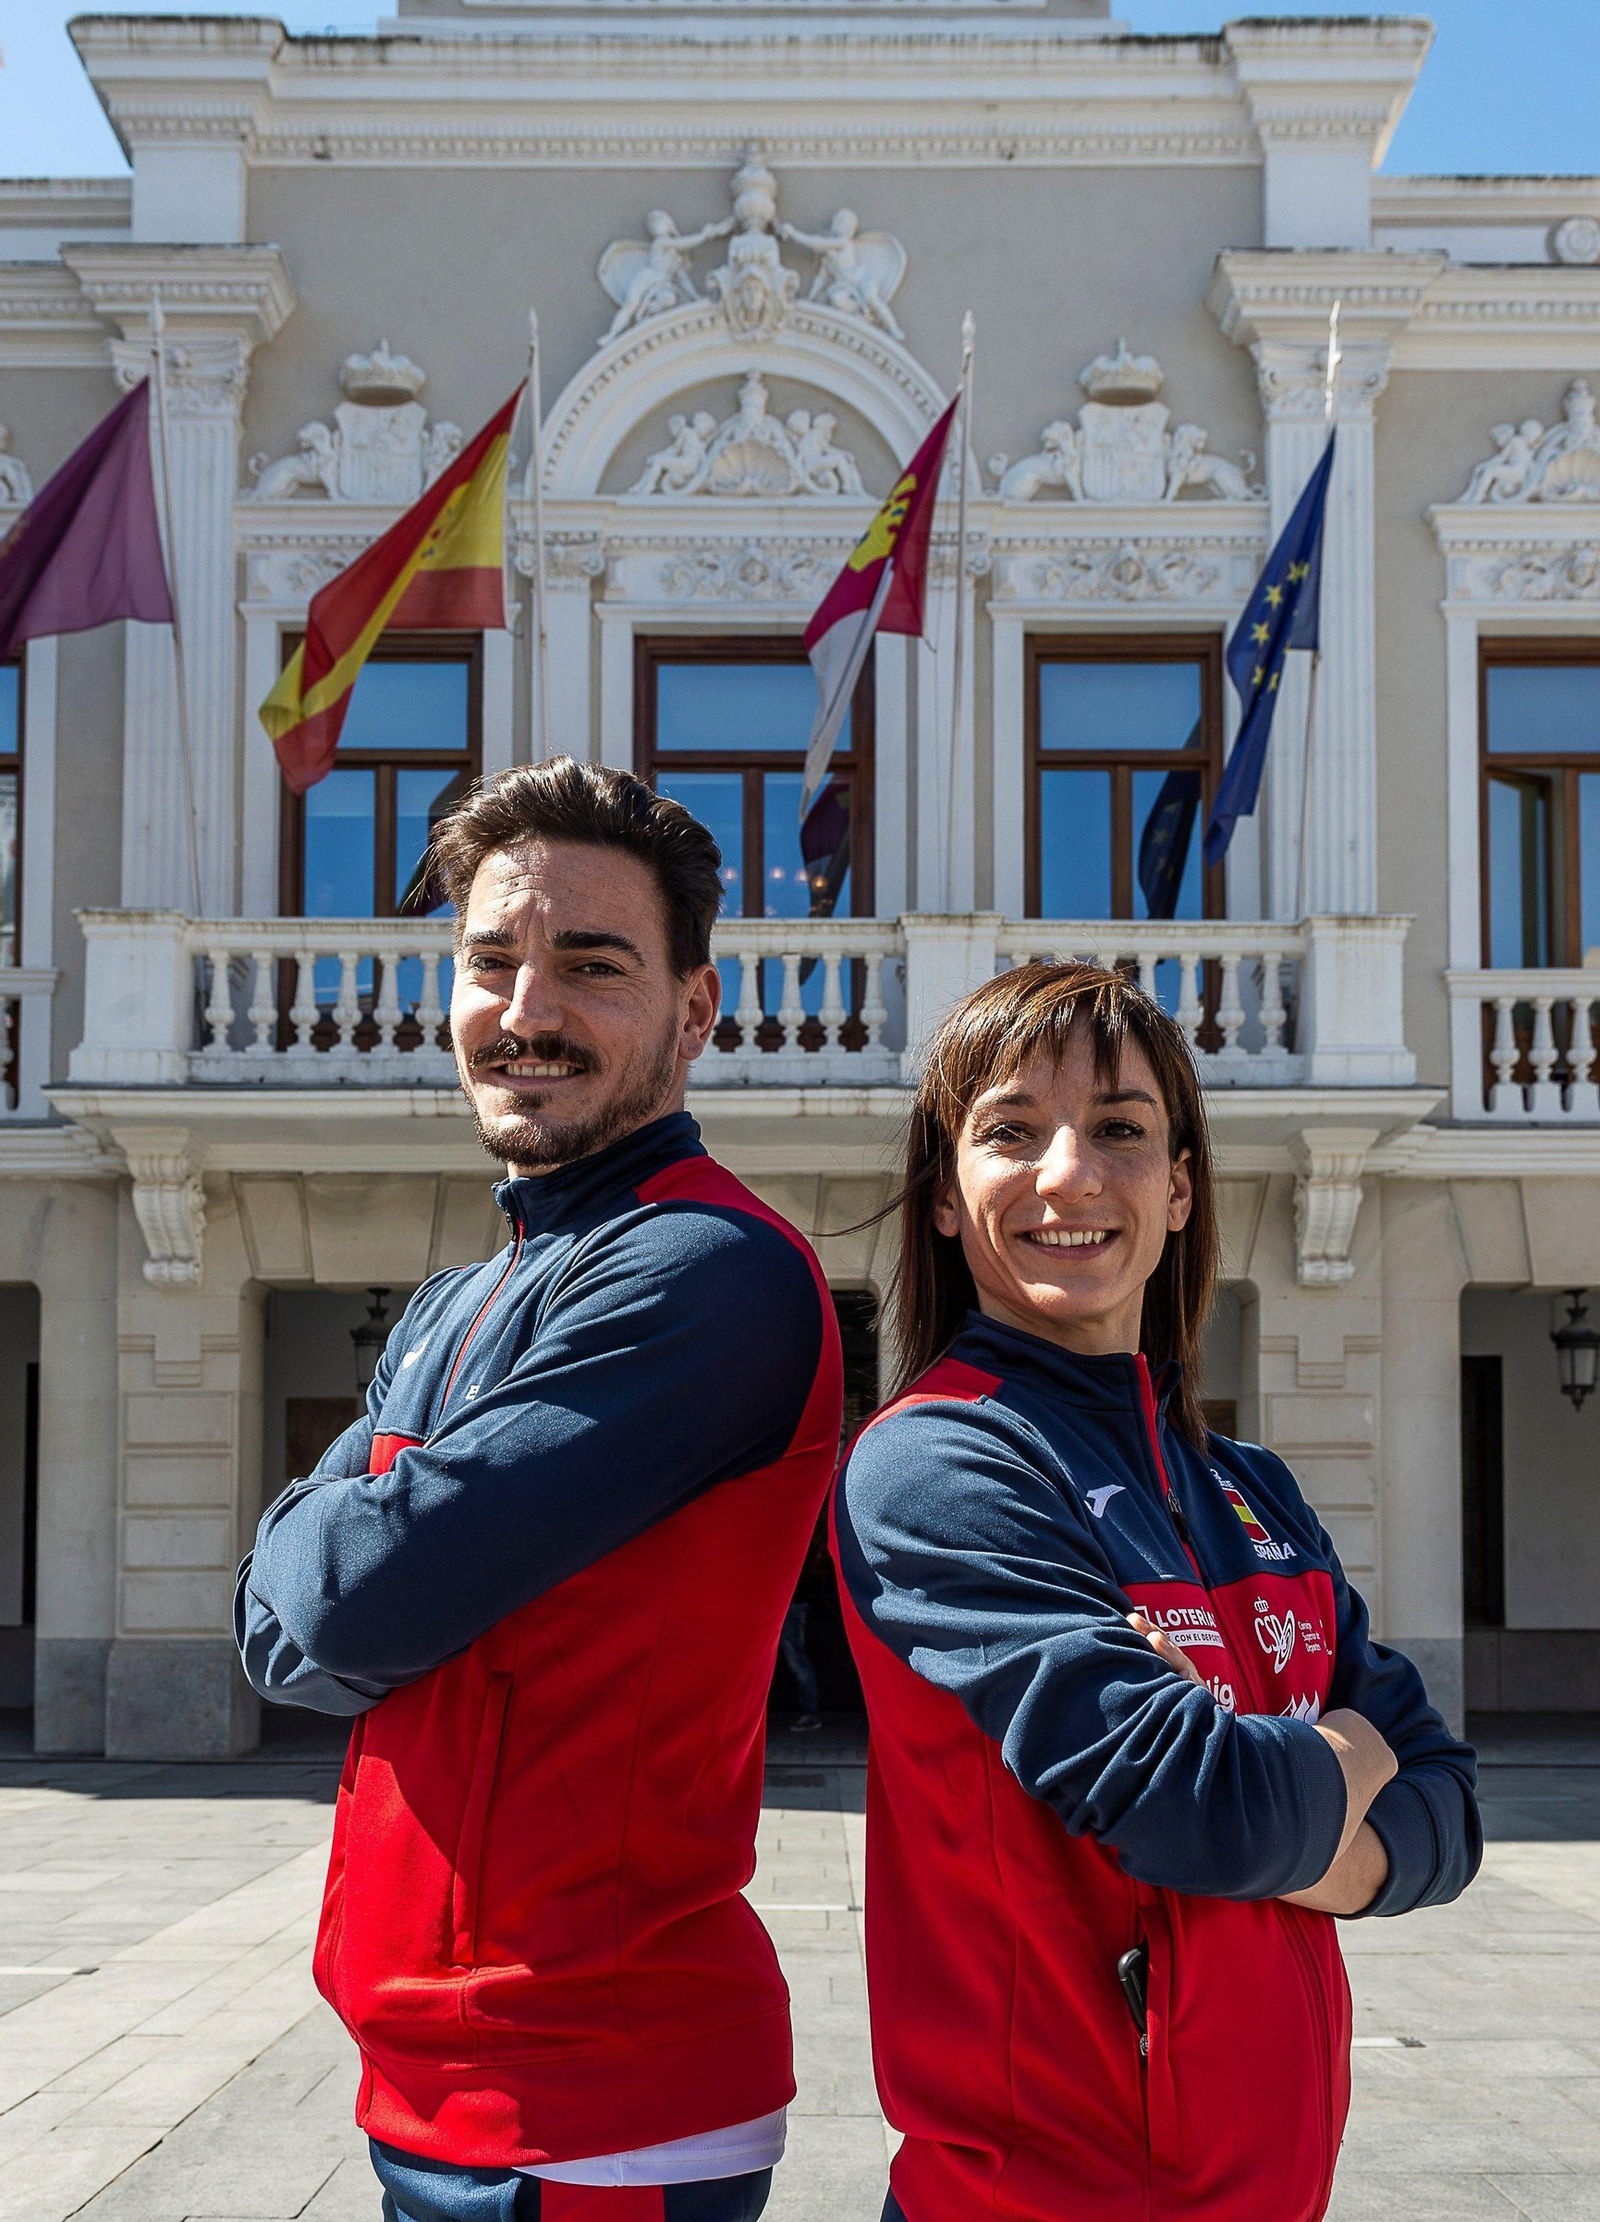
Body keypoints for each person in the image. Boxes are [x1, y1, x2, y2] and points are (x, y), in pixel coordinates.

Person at [236, 759, 842, 2222]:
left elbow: (348, 1598)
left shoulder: (710, 1271)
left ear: (695, 1010)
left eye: (592, 964)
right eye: (492, 960)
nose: (526, 1009)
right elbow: (273, 1640)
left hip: (596, 2101)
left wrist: (341, 1525)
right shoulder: (459, 1296)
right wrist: (346, 1553)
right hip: (437, 2070)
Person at [832, 961, 1480, 2222]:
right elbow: (1213, 1812)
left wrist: (1303, 1837)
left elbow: (1449, 1799)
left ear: (1179, 1188)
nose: (1068, 1174)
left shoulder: (1249, 1486)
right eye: (1010, 1132)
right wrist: (1348, 1751)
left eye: (1119, 1129)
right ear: (948, 1197)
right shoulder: (937, 1462)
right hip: (1042, 2197)